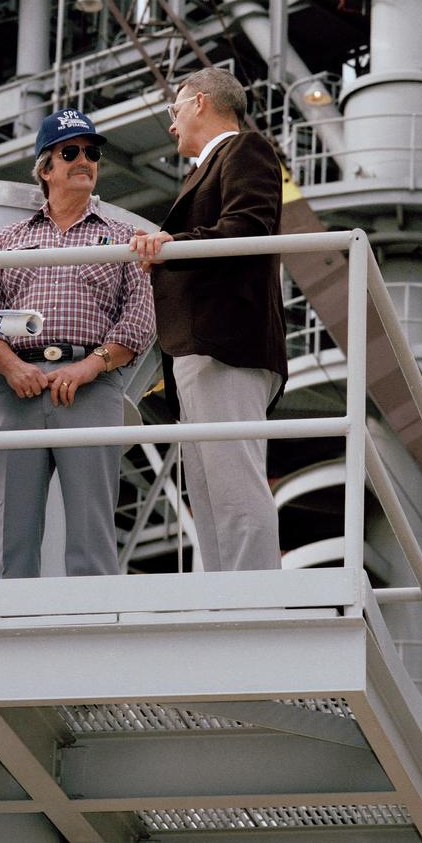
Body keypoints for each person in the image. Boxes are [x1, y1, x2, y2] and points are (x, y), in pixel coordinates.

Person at [0, 108, 155, 577]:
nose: (84, 161)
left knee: (93, 534)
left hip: (92, 390)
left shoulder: (121, 239)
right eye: (70, 152)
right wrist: (13, 368)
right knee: (11, 536)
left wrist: (89, 367)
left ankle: (93, 638)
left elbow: (140, 320)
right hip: (18, 391)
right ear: (45, 168)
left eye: (91, 153)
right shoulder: (7, 240)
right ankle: (11, 637)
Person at [130, 66, 286, 572]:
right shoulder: (215, 162)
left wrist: (173, 247)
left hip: (225, 343)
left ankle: (252, 608)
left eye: (174, 110)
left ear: (199, 102)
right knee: (212, 494)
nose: (171, 125)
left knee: (234, 489)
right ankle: (229, 602)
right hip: (201, 348)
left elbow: (247, 227)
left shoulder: (245, 149)